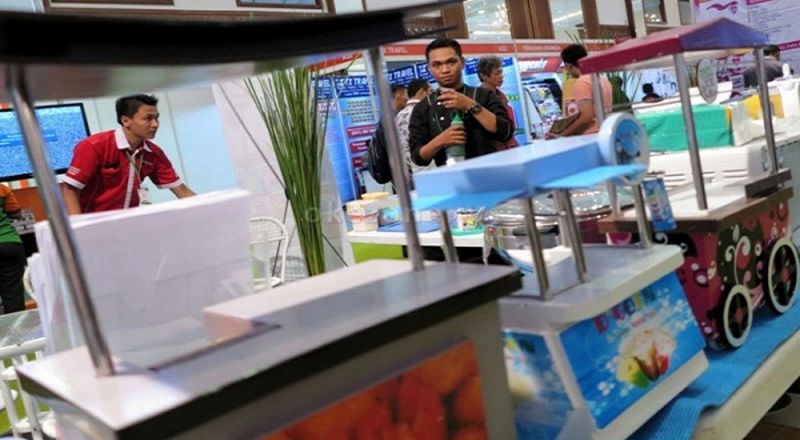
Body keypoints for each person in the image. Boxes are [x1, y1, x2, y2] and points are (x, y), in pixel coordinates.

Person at [62, 94, 195, 214]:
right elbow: (70, 190)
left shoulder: (153, 153)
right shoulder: (95, 146)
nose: (155, 124)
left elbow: (182, 191)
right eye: (148, 118)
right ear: (126, 121)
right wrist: (77, 227)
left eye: (156, 118)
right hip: (95, 221)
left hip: (128, 221)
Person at [409, 38, 513, 167]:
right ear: (429, 68)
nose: (445, 70)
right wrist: (440, 141)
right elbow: (417, 157)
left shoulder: (484, 95)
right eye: (437, 65)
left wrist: (470, 105)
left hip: (489, 170)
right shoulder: (423, 107)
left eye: (451, 62)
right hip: (450, 175)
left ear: (462, 63)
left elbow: (506, 132)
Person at [549, 44, 612, 138]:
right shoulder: (602, 79)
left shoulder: (582, 82)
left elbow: (587, 117)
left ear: (568, 65)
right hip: (604, 131)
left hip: (591, 135)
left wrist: (562, 135)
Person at [477, 55, 519, 150]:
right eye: (497, 73)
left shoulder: (501, 95)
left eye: (501, 72)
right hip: (493, 149)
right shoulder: (478, 98)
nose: (501, 76)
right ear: (483, 76)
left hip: (509, 146)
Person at [395, 79, 433, 174]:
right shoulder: (425, 111)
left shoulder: (399, 115)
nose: (432, 96)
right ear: (421, 92)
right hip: (428, 163)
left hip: (409, 166)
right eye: (430, 92)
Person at [0, 184, 25, 314]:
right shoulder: (2, 188)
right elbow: (17, 214)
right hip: (9, 242)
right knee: (13, 295)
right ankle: (18, 325)